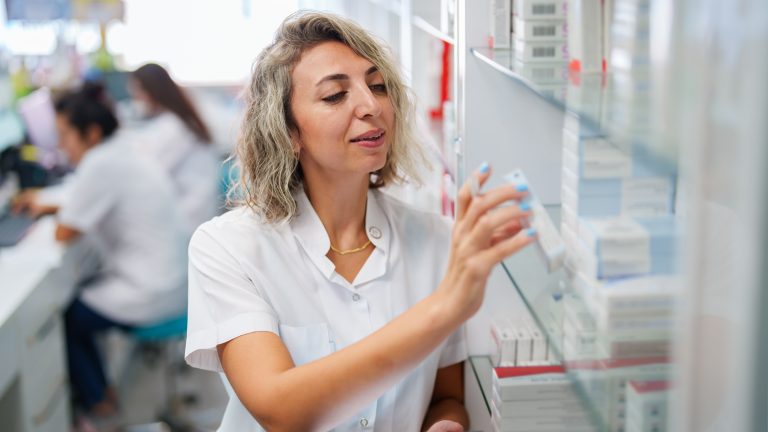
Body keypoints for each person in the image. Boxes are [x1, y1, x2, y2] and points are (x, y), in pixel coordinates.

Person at [184, 12, 535, 432]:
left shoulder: (438, 239)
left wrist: (446, 425)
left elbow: (446, 397)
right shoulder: (227, 247)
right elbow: (279, 410)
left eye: (378, 86)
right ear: (289, 131)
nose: (370, 107)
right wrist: (444, 307)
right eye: (335, 95)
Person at [14, 83, 187, 416]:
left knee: (69, 315)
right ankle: (100, 391)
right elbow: (85, 201)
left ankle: (98, 403)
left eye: (65, 136)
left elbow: (66, 231)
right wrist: (50, 206)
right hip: (174, 279)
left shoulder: (100, 165)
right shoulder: (120, 149)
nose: (61, 148)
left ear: (91, 133)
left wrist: (49, 210)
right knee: (79, 299)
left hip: (153, 290)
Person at [127, 63, 221, 239]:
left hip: (189, 216)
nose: (137, 99)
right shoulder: (178, 121)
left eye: (139, 92)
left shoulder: (174, 127)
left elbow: (147, 171)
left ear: (153, 90)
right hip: (193, 212)